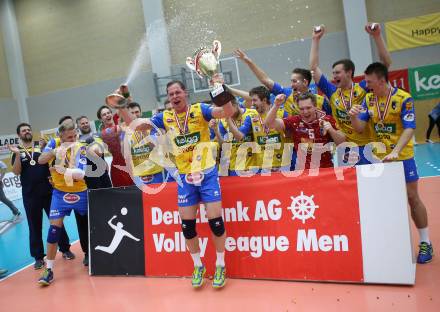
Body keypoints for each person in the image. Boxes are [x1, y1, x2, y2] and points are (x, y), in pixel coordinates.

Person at [145, 79, 234, 288]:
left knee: (216, 223)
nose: (174, 96)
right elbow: (138, 124)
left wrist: (219, 89)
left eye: (178, 92)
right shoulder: (164, 117)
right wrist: (123, 107)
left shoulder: (200, 109)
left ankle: (220, 265)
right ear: (168, 98)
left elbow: (227, 111)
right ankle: (198, 266)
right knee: (187, 227)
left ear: (185, 93)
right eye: (171, 94)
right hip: (185, 178)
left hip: (207, 173)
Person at [349, 62, 433, 264]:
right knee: (384, 202)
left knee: (413, 198)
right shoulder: (369, 99)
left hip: (402, 156)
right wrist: (353, 117)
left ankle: (425, 242)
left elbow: (410, 128)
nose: (366, 86)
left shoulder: (404, 98)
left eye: (369, 82)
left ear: (381, 80)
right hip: (379, 159)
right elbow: (360, 128)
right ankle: (392, 245)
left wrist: (396, 151)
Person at [309, 23, 392, 165]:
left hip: (369, 146)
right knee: (351, 187)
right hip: (345, 149)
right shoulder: (332, 91)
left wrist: (377, 36)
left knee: (372, 185)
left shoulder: (364, 88)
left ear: (349, 73)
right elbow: (313, 68)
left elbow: (385, 64)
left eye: (337, 72)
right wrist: (315, 40)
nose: (334, 76)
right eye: (333, 73)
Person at [9, 123, 75, 270]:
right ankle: (38, 257)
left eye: (28, 129)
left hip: (48, 192)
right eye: (23, 130)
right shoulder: (17, 151)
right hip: (30, 195)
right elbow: (16, 172)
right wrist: (18, 155)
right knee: (34, 226)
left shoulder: (42, 145)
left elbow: (50, 162)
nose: (27, 131)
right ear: (19, 135)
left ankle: (65, 249)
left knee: (57, 222)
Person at [37, 119, 89, 285]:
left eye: (74, 136)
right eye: (69, 137)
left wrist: (61, 169)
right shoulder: (54, 143)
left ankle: (95, 256)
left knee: (93, 226)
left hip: (80, 192)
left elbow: (80, 174)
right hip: (60, 194)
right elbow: (41, 160)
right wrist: (56, 150)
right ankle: (49, 270)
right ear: (60, 136)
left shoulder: (80, 146)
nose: (72, 139)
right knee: (54, 230)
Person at [233, 49, 331, 115]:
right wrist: (248, 61)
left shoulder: (320, 101)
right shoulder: (287, 94)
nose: (291, 84)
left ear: (305, 82)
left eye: (294, 81)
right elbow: (265, 80)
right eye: (291, 81)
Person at [265, 93, 345, 169]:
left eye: (308, 108)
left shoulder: (327, 119)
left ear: (315, 106)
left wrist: (331, 130)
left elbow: (342, 143)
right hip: (303, 172)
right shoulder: (294, 121)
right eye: (301, 109)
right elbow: (269, 124)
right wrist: (276, 105)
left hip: (326, 171)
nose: (305, 112)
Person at [76, 116, 111, 266]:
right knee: (85, 218)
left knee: (109, 210)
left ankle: (110, 241)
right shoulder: (75, 141)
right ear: (78, 126)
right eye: (81, 123)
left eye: (86, 122)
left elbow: (101, 153)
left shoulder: (97, 136)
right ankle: (87, 252)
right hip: (86, 180)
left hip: (102, 176)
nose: (84, 124)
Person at [217, 98, 259, 176]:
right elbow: (224, 145)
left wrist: (228, 118)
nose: (227, 112)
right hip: (235, 167)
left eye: (229, 109)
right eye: (224, 110)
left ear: (236, 105)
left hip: (252, 165)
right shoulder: (222, 121)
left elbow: (239, 136)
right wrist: (215, 130)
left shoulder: (250, 114)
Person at [97, 105, 134, 187]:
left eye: (108, 113)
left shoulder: (119, 125)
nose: (107, 115)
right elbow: (118, 130)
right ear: (100, 119)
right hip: (119, 168)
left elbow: (122, 109)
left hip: (133, 164)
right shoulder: (104, 133)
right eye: (104, 114)